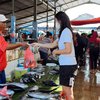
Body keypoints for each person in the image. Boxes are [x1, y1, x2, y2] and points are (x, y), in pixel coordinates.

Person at [32, 11, 77, 100]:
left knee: (68, 92)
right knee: (67, 90)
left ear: (60, 21)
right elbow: (52, 45)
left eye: (55, 20)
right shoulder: (63, 32)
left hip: (68, 65)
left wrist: (56, 52)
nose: (55, 23)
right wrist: (38, 44)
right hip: (67, 65)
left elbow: (68, 50)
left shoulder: (65, 31)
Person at [0, 14, 29, 84]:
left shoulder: (0, 34)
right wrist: (20, 44)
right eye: (3, 22)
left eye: (5, 22)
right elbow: (6, 47)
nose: (5, 24)